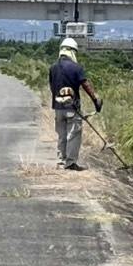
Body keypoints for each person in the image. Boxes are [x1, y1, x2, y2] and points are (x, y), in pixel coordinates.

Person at [48, 36, 101, 170]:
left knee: (61, 135)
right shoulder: (76, 68)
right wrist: (96, 100)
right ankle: (70, 163)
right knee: (73, 135)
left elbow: (52, 87)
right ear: (72, 51)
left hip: (58, 108)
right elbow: (86, 85)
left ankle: (61, 161)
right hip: (72, 108)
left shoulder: (53, 67)